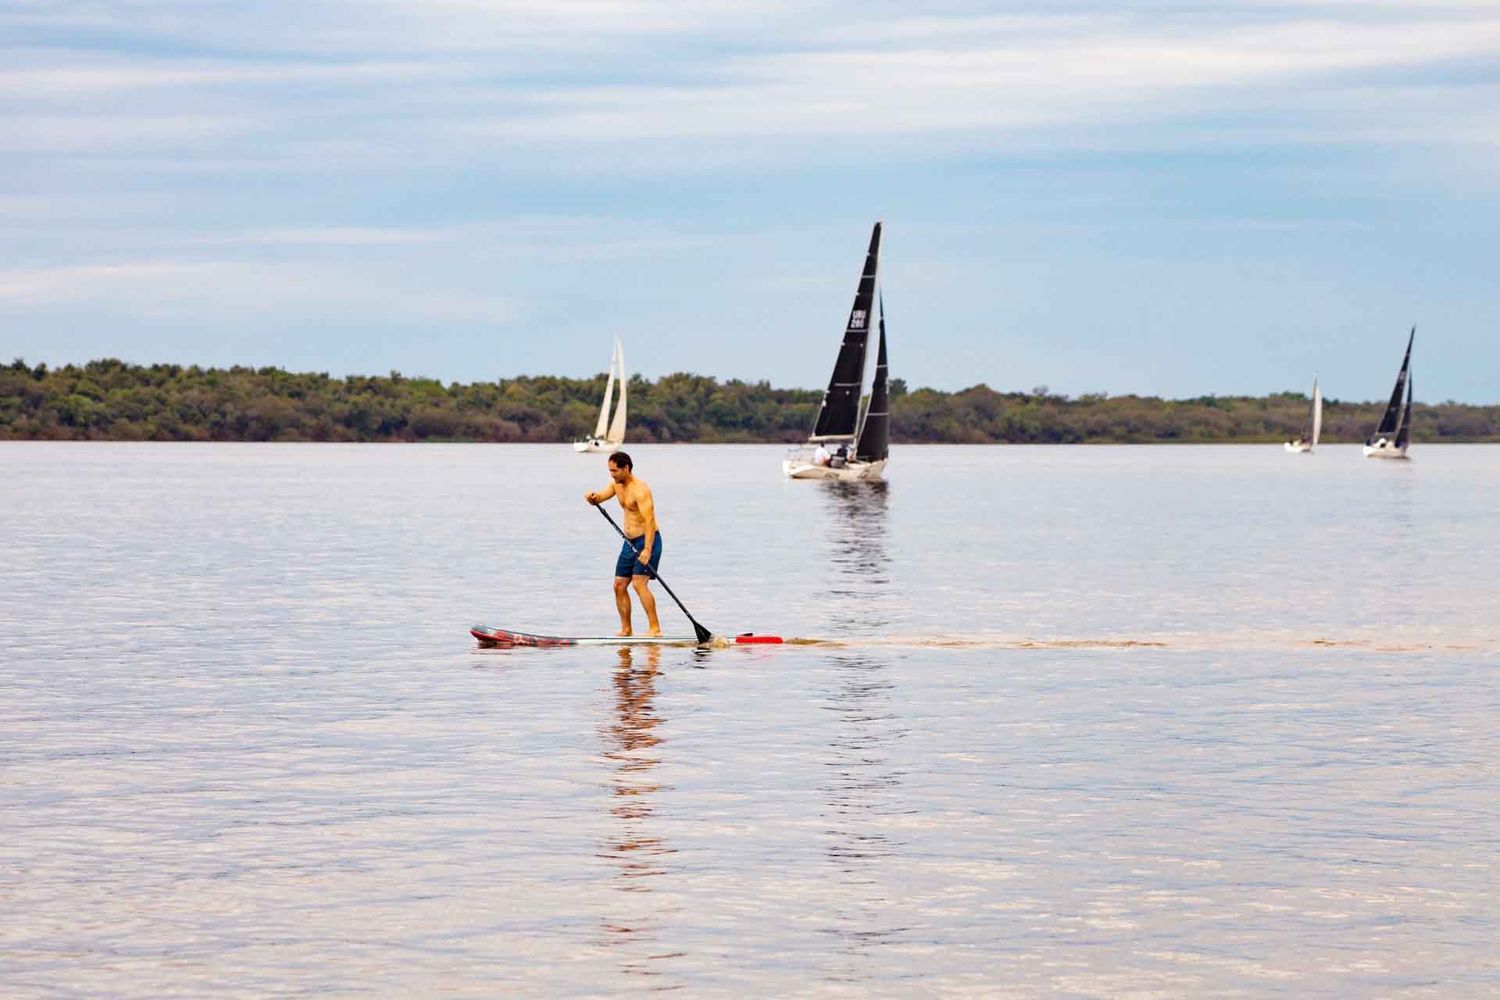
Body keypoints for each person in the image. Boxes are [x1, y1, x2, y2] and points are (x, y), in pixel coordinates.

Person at [585, 451, 663, 637]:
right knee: (619, 585)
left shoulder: (641, 490)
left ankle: (655, 629)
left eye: (615, 471)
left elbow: (650, 521)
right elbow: (602, 496)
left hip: (648, 540)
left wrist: (647, 549)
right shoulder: (617, 485)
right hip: (629, 542)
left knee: (639, 584)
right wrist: (592, 497)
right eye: (610, 471)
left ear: (626, 468)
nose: (612, 475)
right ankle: (626, 630)